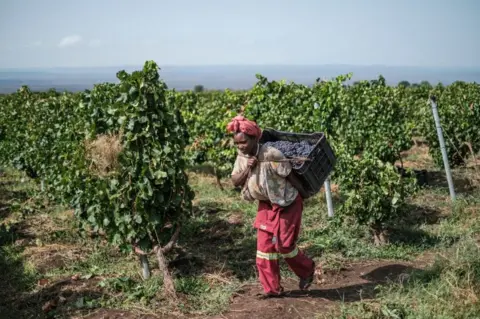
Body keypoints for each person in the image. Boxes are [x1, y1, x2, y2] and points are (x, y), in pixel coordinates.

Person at [227, 115, 316, 298]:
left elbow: (289, 176)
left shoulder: (271, 154)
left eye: (244, 142)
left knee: (284, 245)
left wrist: (304, 195)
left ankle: (307, 270)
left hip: (287, 202)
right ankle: (272, 289)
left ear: (254, 139)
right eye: (237, 144)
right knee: (264, 249)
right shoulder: (242, 158)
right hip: (266, 205)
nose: (241, 147)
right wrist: (248, 168)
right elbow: (235, 181)